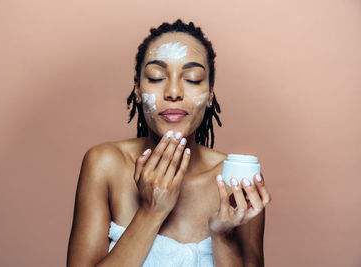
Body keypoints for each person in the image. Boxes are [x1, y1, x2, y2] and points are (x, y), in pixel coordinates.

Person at [67, 19, 272, 267]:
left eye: (193, 79)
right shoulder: (105, 164)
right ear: (138, 90)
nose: (173, 92)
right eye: (156, 77)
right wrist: (151, 211)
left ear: (210, 95)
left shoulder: (235, 182)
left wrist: (223, 235)